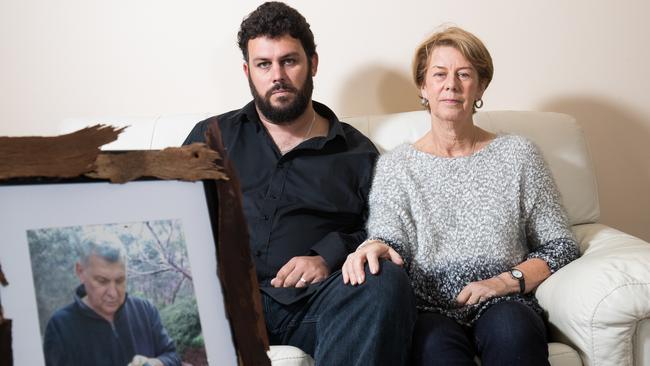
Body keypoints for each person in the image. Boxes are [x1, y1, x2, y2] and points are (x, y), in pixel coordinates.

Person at [183, 2, 416, 364]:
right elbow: (176, 217)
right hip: (222, 306)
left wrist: (327, 256)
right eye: (264, 64)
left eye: (289, 61)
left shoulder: (357, 154)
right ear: (248, 70)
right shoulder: (211, 136)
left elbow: (387, 233)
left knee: (384, 279)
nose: (277, 75)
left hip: (309, 307)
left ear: (313, 64)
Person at [342, 26, 580, 366]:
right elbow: (389, 238)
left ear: (481, 86)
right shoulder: (397, 165)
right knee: (435, 352)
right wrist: (376, 245)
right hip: (428, 309)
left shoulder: (518, 155)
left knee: (515, 334)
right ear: (423, 87)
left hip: (503, 303)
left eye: (464, 74)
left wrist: (505, 282)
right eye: (439, 74)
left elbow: (561, 244)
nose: (451, 85)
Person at [43, 239, 180, 366]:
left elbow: (172, 356)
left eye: (120, 281)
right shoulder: (59, 327)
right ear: (80, 271)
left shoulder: (145, 310)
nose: (113, 293)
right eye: (102, 281)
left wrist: (152, 363)